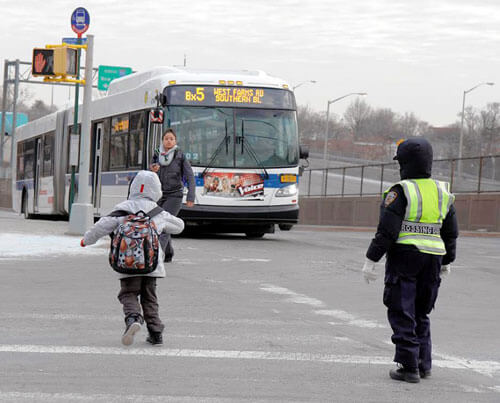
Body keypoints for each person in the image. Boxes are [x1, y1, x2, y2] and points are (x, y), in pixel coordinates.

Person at [362, 138, 458, 383]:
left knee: (402, 309)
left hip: (405, 256)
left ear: (404, 163)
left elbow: (387, 230)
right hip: (434, 258)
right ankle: (423, 364)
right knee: (421, 311)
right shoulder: (442, 191)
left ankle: (408, 366)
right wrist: (448, 260)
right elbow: (450, 231)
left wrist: (371, 259)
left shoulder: (401, 190)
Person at [80, 170, 185, 346]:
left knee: (128, 293)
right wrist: (161, 225)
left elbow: (101, 227)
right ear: (157, 190)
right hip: (152, 265)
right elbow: (179, 226)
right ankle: (156, 332)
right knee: (150, 297)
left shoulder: (122, 208)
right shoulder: (158, 212)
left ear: (133, 188)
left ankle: (133, 318)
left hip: (127, 264)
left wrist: (86, 240)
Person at [151, 128, 195, 262]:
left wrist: (190, 196)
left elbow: (190, 176)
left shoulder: (180, 155)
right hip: (159, 195)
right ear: (163, 141)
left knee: (163, 224)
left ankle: (156, 256)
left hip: (175, 195)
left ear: (175, 141)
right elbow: (150, 171)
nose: (168, 141)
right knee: (157, 223)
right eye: (166, 139)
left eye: (171, 139)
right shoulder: (157, 154)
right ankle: (168, 253)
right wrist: (152, 168)